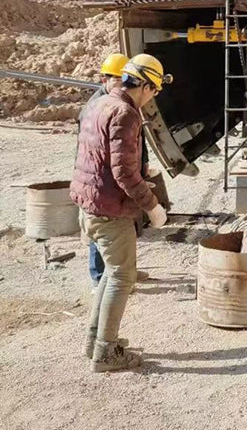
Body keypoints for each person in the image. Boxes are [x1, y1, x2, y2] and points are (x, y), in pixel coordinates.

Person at [70, 53, 173, 372]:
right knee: (122, 276)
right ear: (142, 84)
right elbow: (125, 174)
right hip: (109, 210)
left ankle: (95, 340)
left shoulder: (99, 102)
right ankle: (106, 353)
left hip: (91, 204)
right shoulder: (125, 113)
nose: (152, 97)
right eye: (153, 90)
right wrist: (152, 206)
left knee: (112, 273)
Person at [81, 53, 128, 288]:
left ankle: (119, 272)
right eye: (117, 80)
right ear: (104, 80)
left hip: (111, 178)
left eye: (126, 80)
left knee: (118, 231)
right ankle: (100, 279)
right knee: (100, 229)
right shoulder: (96, 107)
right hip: (99, 178)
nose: (122, 86)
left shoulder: (122, 103)